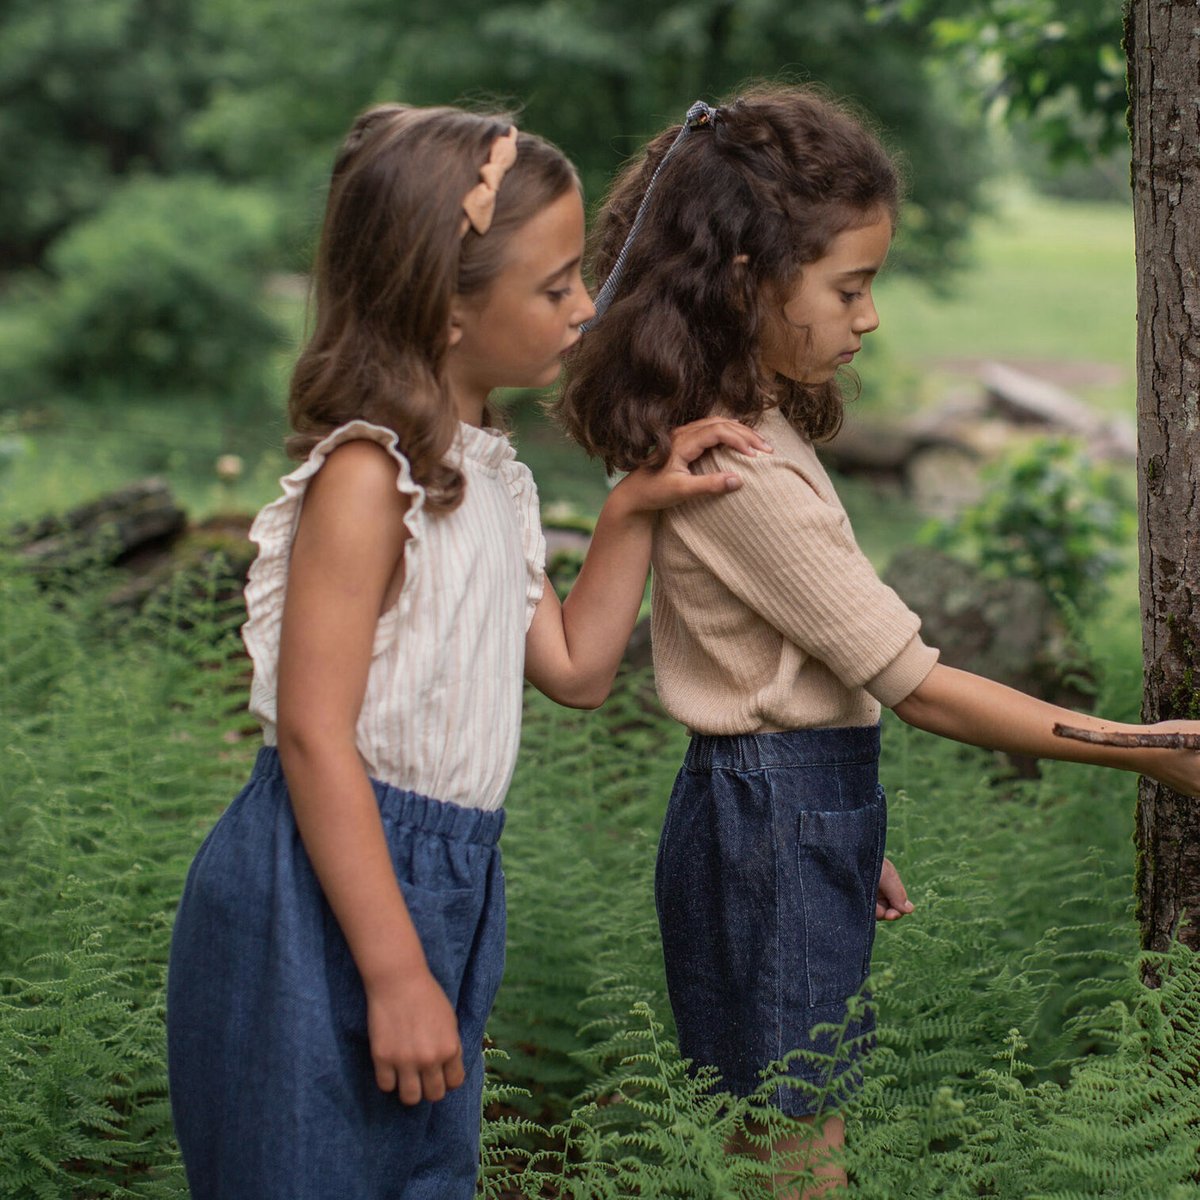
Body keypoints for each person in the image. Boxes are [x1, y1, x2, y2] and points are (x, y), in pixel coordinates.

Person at [555, 85, 1200, 1196]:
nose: (871, 318)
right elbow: (922, 687)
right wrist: (1146, 748)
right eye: (850, 287)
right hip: (767, 821)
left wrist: (838, 835)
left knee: (784, 1138)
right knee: (796, 1159)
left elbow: (786, 680)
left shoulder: (735, 429)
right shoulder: (739, 468)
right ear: (745, 281)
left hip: (775, 813)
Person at [165, 103, 773, 1200]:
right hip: (320, 889)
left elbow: (580, 670)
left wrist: (634, 509)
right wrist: (396, 971)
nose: (586, 308)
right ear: (444, 307)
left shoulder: (490, 476)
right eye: (554, 288)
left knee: (419, 1176)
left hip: (451, 880)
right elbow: (312, 734)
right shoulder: (368, 479)